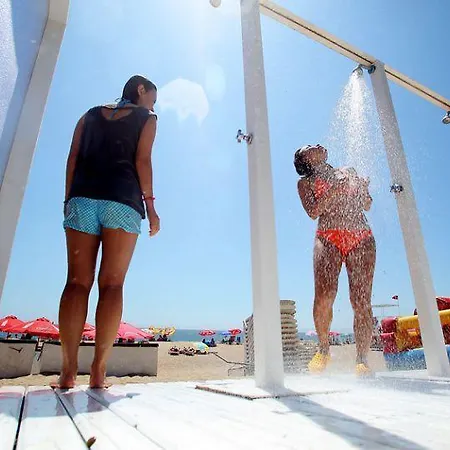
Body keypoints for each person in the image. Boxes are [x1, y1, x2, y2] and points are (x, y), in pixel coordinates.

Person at [56, 75, 160, 389]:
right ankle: (98, 372)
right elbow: (142, 161)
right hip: (122, 201)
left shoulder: (88, 115)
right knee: (112, 284)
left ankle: (68, 372)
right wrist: (151, 207)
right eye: (153, 98)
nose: (154, 105)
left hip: (82, 198)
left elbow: (72, 158)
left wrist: (69, 199)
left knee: (76, 282)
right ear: (141, 90)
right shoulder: (147, 118)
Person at [295, 144, 376, 376]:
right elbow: (313, 212)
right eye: (309, 147)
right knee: (324, 297)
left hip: (361, 237)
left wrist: (363, 190)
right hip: (328, 238)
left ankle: (362, 359)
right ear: (305, 160)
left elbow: (367, 204)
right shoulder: (305, 183)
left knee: (361, 301)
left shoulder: (348, 171)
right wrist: (334, 192)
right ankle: (323, 349)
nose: (316, 145)